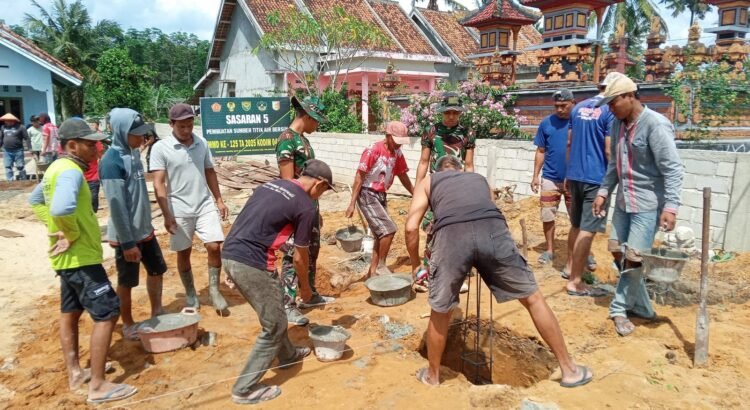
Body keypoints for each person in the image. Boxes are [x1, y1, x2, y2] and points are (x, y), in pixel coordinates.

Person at [405, 155, 593, 388]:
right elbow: (492, 211)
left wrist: (416, 265)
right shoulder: (478, 179)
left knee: (441, 310)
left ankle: (432, 376)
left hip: (451, 237)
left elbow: (411, 227)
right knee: (533, 298)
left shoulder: (428, 181)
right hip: (493, 231)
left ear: (437, 171)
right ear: (460, 170)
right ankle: (570, 370)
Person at [28, 118, 137, 404]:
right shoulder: (70, 172)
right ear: (72, 146)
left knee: (71, 312)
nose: (97, 149)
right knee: (108, 313)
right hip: (81, 258)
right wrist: (71, 232)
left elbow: (35, 201)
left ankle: (76, 373)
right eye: (90, 145)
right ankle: (98, 386)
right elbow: (61, 207)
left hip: (67, 261)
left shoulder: (55, 169)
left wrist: (55, 228)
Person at [222, 159, 336, 404]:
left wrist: (231, 266)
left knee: (276, 312)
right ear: (319, 184)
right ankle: (244, 389)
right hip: (253, 262)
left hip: (231, 253)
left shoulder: (270, 185)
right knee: (273, 327)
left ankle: (288, 355)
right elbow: (300, 256)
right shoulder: (305, 205)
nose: (322, 196)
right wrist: (306, 289)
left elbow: (246, 222)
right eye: (325, 191)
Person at [593, 75, 684, 337]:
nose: (611, 109)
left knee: (634, 258)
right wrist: (603, 192)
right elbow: (614, 164)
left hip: (648, 204)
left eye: (613, 102)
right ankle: (643, 307)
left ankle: (619, 309)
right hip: (624, 201)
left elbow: (672, 169)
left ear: (630, 96)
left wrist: (671, 206)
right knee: (617, 252)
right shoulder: (617, 125)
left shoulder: (655, 125)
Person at [150, 103, 230, 313]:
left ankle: (214, 290)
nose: (186, 130)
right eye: (181, 126)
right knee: (184, 253)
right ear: (171, 124)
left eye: (190, 125)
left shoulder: (202, 143)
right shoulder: (161, 148)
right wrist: (167, 214)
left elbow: (210, 171)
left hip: (204, 205)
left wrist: (219, 200)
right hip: (178, 209)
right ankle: (191, 293)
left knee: (214, 246)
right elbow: (158, 182)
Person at [100, 108, 167, 340]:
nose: (141, 137)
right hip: (126, 236)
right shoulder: (111, 162)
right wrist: (128, 243)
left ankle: (157, 311)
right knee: (127, 281)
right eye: (136, 133)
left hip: (145, 230)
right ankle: (128, 323)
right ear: (121, 131)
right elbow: (117, 206)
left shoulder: (134, 154)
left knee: (157, 270)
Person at [275, 95, 335, 326]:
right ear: (308, 116)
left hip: (309, 207)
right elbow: (288, 183)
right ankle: (287, 303)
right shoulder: (286, 140)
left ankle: (308, 295)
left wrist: (315, 211)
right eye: (317, 120)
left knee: (311, 251)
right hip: (296, 209)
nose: (317, 125)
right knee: (293, 254)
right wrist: (297, 213)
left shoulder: (303, 140)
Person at [562, 72, 621, 296]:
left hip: (575, 175)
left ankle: (570, 267)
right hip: (596, 178)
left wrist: (568, 172)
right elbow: (608, 149)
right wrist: (614, 179)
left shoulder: (578, 108)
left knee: (576, 225)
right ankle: (576, 281)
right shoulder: (609, 110)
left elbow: (569, 142)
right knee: (588, 230)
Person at [413, 92, 476, 290]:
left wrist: (470, 189)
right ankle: (427, 274)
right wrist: (417, 190)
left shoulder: (467, 133)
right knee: (432, 230)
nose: (451, 116)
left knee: (458, 230)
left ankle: (458, 276)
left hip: (458, 189)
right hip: (435, 188)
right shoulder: (431, 131)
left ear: (460, 113)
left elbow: (468, 164)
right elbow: (424, 162)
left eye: (455, 112)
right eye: (448, 112)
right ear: (442, 112)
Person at [346, 121, 414, 277]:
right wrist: (352, 203)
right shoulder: (373, 150)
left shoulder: (397, 153)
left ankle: (373, 272)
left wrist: (415, 193)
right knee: (388, 230)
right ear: (388, 136)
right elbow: (359, 177)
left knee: (380, 234)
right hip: (367, 193)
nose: (399, 145)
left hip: (381, 194)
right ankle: (381, 266)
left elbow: (402, 174)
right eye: (396, 141)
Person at [531, 89, 575, 265]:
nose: (560, 109)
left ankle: (582, 252)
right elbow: (541, 151)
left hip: (574, 179)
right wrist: (535, 176)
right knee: (547, 215)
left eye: (564, 105)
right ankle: (549, 250)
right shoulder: (546, 123)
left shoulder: (579, 122)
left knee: (577, 218)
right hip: (550, 178)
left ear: (573, 103)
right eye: (556, 106)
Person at [83, 117, 105, 212]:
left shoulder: (96, 142)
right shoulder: (78, 144)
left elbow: (102, 157)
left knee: (93, 202)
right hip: (81, 178)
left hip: (93, 177)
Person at [1, 113, 29, 181]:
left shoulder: (21, 127)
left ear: (13, 120)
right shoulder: (3, 127)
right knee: (8, 167)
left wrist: (30, 148)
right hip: (7, 151)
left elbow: (27, 138)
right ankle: (10, 181)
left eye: (8, 120)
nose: (6, 122)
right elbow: (1, 138)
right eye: (5, 120)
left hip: (18, 151)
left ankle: (23, 181)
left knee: (20, 166)